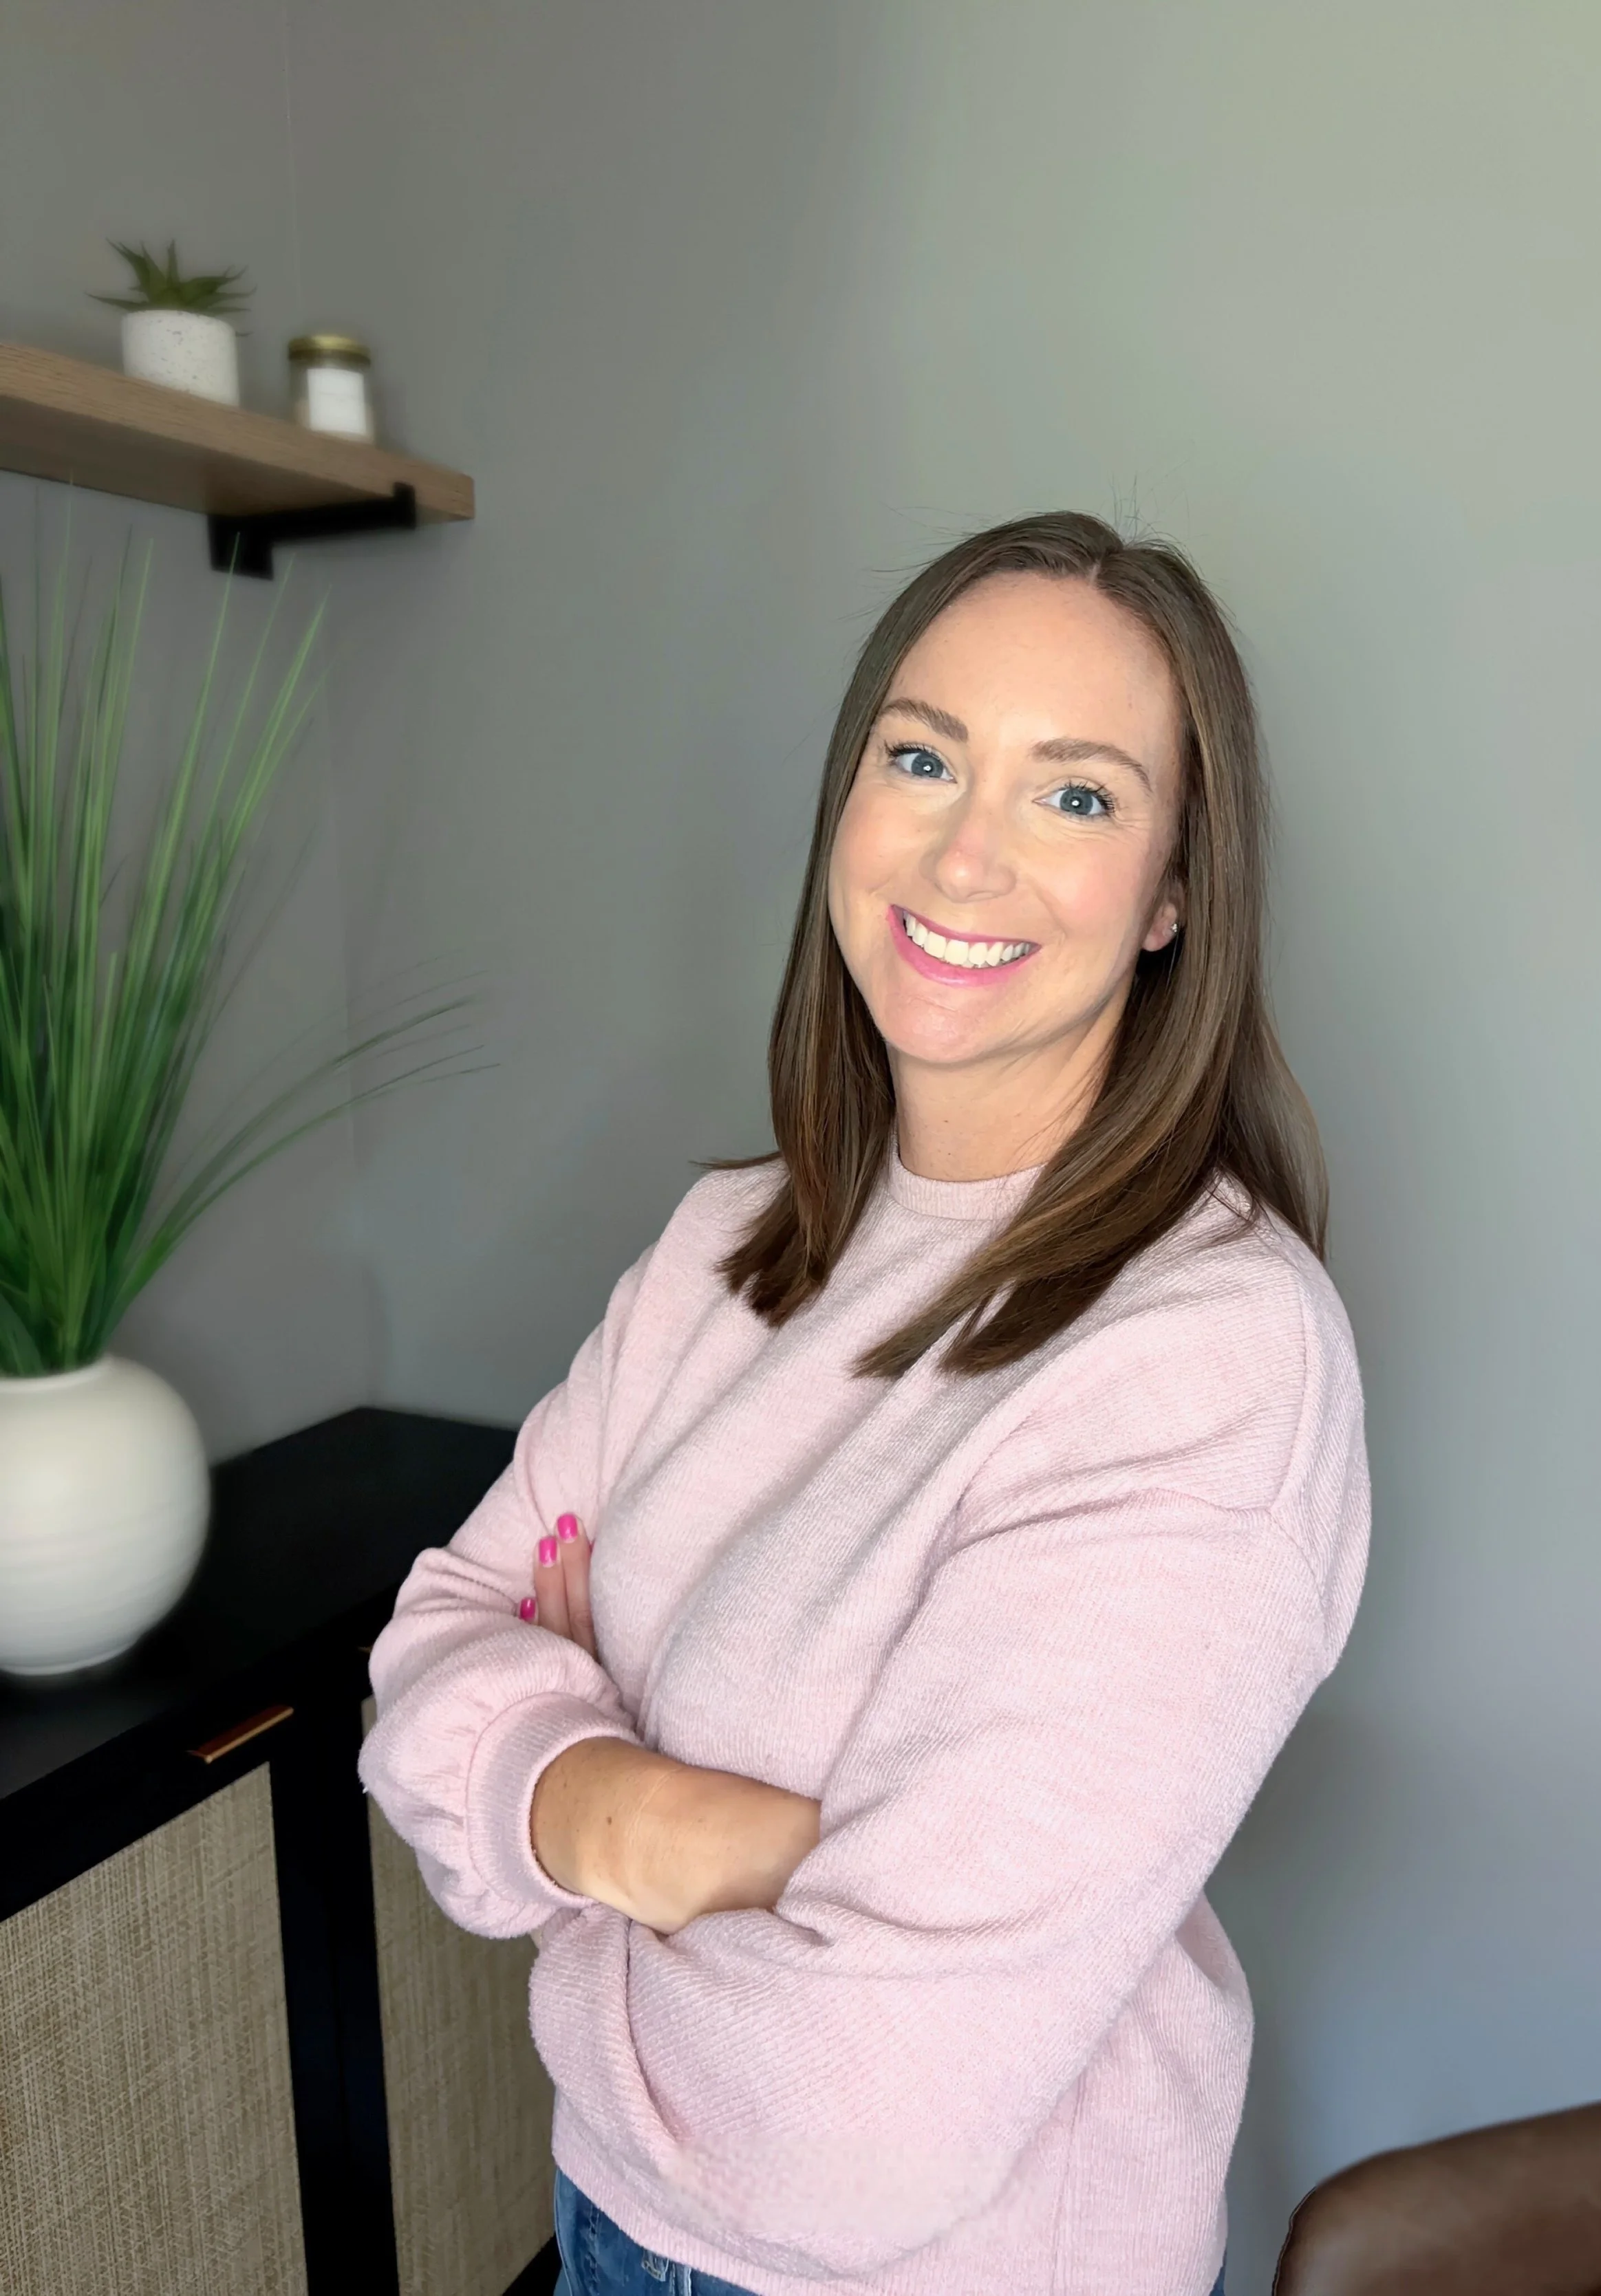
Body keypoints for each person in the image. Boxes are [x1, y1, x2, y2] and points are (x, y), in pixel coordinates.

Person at [357, 510, 1371, 2296]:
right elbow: (437, 1631)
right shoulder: (721, 1248)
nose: (965, 856)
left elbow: (857, 2120)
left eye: (1074, 795)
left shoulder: (1209, 1359)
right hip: (606, 2219)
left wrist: (566, 1852)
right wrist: (653, 1822)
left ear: (1171, 898)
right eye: (921, 757)